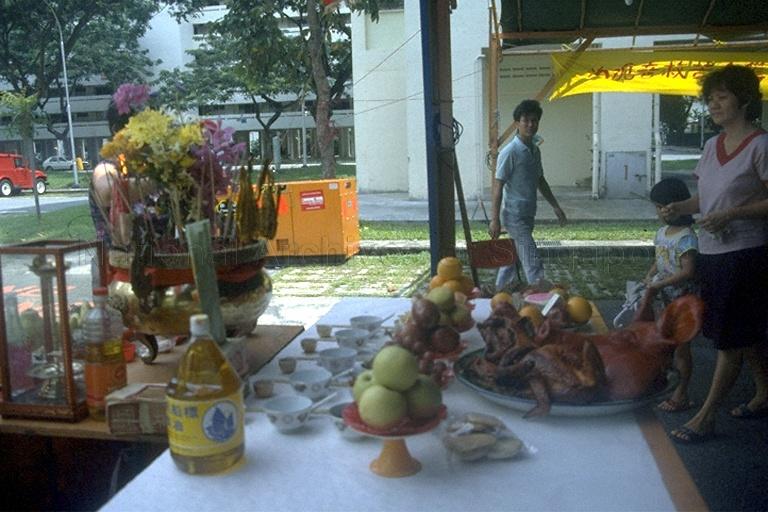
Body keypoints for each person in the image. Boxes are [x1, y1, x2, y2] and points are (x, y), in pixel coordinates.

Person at [663, 65, 768, 443]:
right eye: (710, 98)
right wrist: (680, 208)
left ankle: (705, 416)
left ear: (744, 99)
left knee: (728, 338)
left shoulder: (760, 145)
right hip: (712, 253)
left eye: (722, 96)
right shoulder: (711, 146)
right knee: (743, 331)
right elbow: (705, 199)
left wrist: (733, 214)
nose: (713, 104)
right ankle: (764, 392)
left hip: (746, 254)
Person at [489, 99, 567, 292]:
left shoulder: (534, 150)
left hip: (528, 214)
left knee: (510, 261)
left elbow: (540, 180)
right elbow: (498, 187)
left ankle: (498, 295)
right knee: (532, 261)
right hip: (514, 216)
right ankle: (542, 302)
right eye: (526, 120)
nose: (530, 125)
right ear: (517, 123)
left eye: (534, 120)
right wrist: (494, 220)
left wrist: (555, 206)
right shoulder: (510, 152)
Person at [643, 178, 698, 413]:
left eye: (662, 206)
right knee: (666, 344)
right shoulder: (662, 232)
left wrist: (661, 283)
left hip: (683, 301)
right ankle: (666, 385)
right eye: (657, 207)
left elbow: (688, 271)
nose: (660, 212)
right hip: (664, 298)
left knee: (681, 349)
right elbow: (660, 260)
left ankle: (681, 394)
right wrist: (648, 277)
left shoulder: (686, 236)